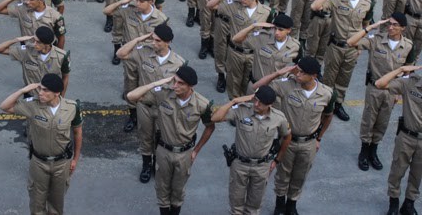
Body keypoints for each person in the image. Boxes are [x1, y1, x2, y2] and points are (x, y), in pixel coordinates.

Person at [252, 57, 335, 215]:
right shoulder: (287, 85)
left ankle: (292, 204)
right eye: (298, 70)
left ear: (314, 76)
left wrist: (319, 138)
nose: (298, 74)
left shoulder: (327, 93)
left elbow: (328, 116)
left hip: (309, 142)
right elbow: (256, 87)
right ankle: (279, 203)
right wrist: (278, 73)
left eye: (303, 73)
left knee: (300, 174)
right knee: (283, 173)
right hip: (287, 139)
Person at [127, 66, 215, 215]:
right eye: (175, 81)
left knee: (178, 190)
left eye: (180, 83)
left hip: (184, 153)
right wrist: (155, 84)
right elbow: (131, 96)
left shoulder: (202, 104)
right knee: (162, 188)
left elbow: (210, 127)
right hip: (163, 150)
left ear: (190, 86)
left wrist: (196, 150)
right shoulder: (163, 95)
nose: (175, 86)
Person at [0, 74, 83, 215]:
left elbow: (78, 133)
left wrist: (75, 159)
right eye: (40, 89)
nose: (40, 93)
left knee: (56, 205)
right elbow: (4, 106)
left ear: (57, 93)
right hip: (38, 163)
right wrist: (23, 90)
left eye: (45, 90)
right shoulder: (33, 105)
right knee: (37, 204)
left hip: (62, 164)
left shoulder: (72, 107)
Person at [116, 24, 185, 183]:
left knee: (163, 138)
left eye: (158, 41)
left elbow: (183, 89)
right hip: (145, 105)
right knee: (145, 136)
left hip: (165, 108)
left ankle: (158, 164)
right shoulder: (144, 52)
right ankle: (147, 165)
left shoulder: (178, 63)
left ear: (168, 42)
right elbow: (121, 53)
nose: (153, 43)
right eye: (153, 39)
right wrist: (140, 39)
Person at [211, 86, 291, 215]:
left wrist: (277, 160)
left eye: (261, 103)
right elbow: (215, 118)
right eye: (256, 100)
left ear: (270, 104)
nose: (256, 104)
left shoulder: (279, 118)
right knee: (236, 205)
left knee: (254, 207)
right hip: (239, 164)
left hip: (262, 166)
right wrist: (234, 101)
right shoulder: (242, 110)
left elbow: (287, 136)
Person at [347, 13, 413, 172]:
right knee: (369, 119)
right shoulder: (376, 39)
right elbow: (350, 42)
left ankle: (373, 151)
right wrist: (370, 27)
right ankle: (364, 150)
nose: (391, 27)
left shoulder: (408, 46)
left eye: (395, 25)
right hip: (374, 88)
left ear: (403, 28)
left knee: (383, 121)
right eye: (389, 24)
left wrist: (400, 92)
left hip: (392, 90)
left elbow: (407, 71)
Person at [311, 0, 371, 121]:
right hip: (335, 46)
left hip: (352, 49)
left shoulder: (367, 4)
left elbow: (365, 26)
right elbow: (315, 6)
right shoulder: (337, 0)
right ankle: (324, 105)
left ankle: (338, 104)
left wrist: (361, 47)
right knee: (328, 78)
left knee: (344, 78)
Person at [376, 64, 422, 215]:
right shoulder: (410, 83)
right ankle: (394, 202)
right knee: (397, 170)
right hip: (407, 137)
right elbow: (380, 84)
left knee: (417, 174)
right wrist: (400, 70)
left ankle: (409, 204)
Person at [0, 26, 71, 94]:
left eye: (38, 42)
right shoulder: (27, 51)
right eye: (34, 40)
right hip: (31, 96)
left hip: (50, 97)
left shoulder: (62, 56)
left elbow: (65, 77)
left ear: (47, 44)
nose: (34, 44)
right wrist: (16, 40)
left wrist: (61, 97)